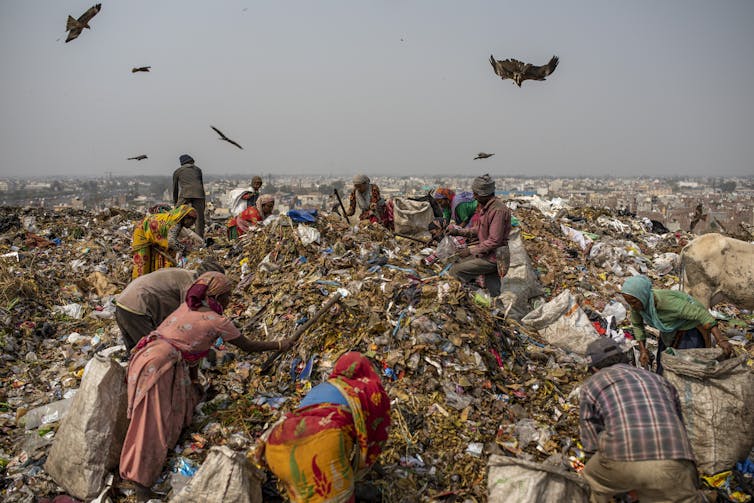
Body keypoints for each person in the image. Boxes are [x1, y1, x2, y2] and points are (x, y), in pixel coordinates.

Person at [119, 272, 296, 500]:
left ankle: (144, 464)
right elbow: (248, 346)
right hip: (160, 366)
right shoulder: (217, 320)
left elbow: (187, 350)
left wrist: (194, 383)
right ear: (219, 297)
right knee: (152, 423)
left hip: (148, 356)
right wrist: (280, 344)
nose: (230, 301)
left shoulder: (187, 308)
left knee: (156, 415)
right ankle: (139, 482)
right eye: (228, 296)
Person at [579, 337, 701, 502]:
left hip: (623, 460)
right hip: (676, 461)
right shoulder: (659, 380)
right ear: (625, 359)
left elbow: (591, 440)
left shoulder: (592, 384)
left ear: (594, 368)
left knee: (590, 479)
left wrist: (596, 460)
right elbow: (680, 424)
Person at [258, 352, 390, 503]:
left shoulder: (323, 386)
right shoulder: (370, 390)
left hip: (277, 443)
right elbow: (375, 434)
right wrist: (369, 467)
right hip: (323, 442)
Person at [621, 274, 732, 374]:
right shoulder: (638, 306)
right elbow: (637, 325)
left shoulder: (667, 302)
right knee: (664, 367)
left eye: (634, 302)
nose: (633, 306)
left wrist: (721, 340)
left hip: (689, 334)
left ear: (643, 295)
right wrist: (643, 350)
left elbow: (702, 314)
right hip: (668, 334)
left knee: (686, 369)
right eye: (629, 302)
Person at [115, 260, 225, 351]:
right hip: (137, 307)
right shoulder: (192, 286)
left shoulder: (188, 275)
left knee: (135, 350)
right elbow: (186, 318)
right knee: (153, 350)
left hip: (124, 302)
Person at [447, 174, 511, 297]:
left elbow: (494, 240)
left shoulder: (497, 211)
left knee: (456, 271)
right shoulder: (487, 208)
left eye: (476, 194)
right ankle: (498, 312)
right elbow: (479, 229)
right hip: (489, 254)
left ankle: (461, 302)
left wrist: (471, 251)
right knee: (494, 291)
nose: (474, 197)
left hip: (494, 257)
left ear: (484, 194)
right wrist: (458, 231)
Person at [131, 205, 198, 279]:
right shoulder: (175, 224)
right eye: (192, 221)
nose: (193, 224)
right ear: (186, 218)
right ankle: (138, 283)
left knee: (154, 260)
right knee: (142, 264)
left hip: (151, 234)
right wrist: (183, 249)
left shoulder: (175, 218)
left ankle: (152, 281)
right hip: (142, 234)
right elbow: (171, 242)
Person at [172, 154, 206, 238]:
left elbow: (175, 188)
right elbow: (201, 184)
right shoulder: (198, 170)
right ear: (191, 161)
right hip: (199, 194)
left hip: (185, 194)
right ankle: (199, 239)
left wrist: (175, 204)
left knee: (175, 216)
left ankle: (172, 234)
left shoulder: (178, 171)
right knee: (199, 218)